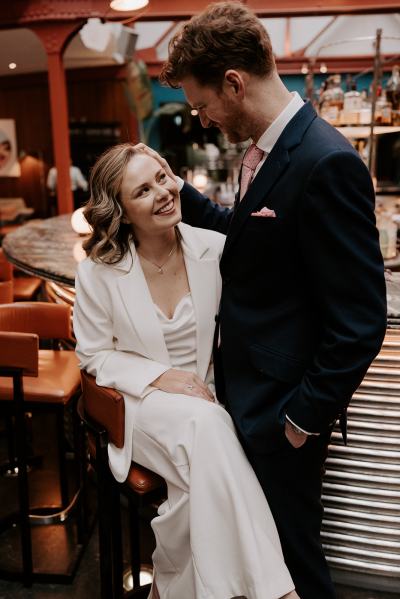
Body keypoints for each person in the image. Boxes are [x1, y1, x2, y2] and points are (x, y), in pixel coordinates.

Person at [137, 2, 388, 598]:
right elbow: (254, 238)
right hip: (248, 400)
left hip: (281, 414)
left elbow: (360, 321)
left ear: (234, 81)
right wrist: (181, 197)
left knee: (294, 561)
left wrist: (300, 421)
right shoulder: (267, 152)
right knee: (265, 557)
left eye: (202, 106)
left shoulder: (325, 162)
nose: (201, 121)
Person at [73, 143, 299, 599]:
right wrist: (160, 377)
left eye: (162, 178)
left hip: (206, 396)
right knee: (211, 424)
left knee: (201, 485)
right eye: (142, 190)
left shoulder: (214, 249)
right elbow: (93, 356)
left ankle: (171, 590)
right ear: (120, 211)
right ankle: (278, 592)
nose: (162, 192)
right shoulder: (99, 272)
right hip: (143, 404)